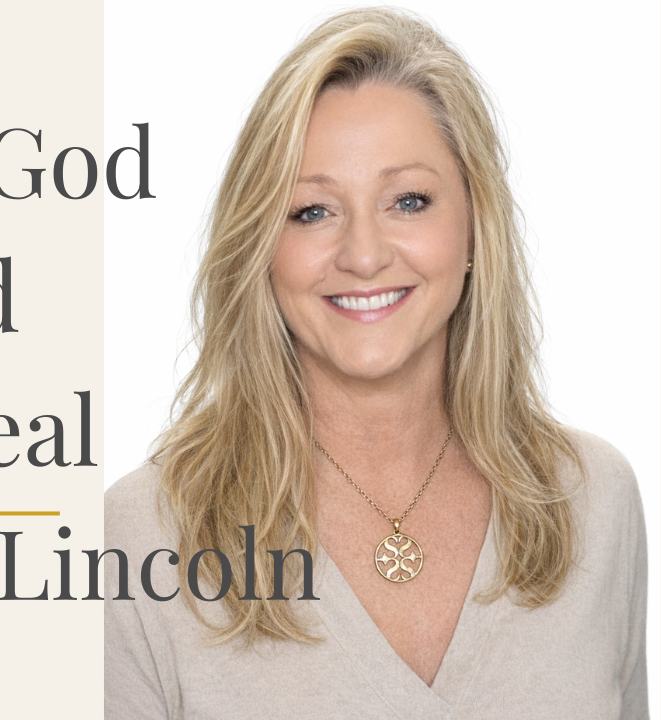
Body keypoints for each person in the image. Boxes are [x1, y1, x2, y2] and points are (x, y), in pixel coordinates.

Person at [103, 7, 648, 719]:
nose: (363, 255)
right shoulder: (142, 536)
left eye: (409, 201)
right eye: (312, 212)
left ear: (476, 227)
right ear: (260, 248)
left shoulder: (592, 501)